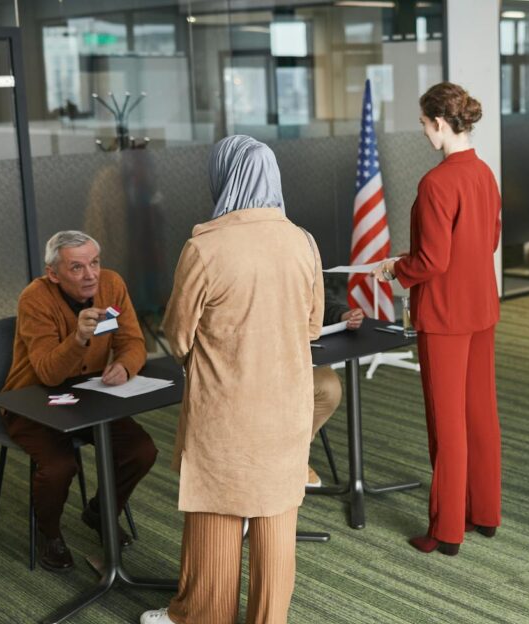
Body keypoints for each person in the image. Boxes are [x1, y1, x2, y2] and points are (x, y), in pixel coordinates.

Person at [142, 136, 323, 624]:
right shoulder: (303, 242)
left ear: (224, 177)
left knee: (216, 519)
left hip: (227, 410)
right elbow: (311, 327)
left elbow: (177, 335)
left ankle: (199, 616)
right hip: (287, 407)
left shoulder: (204, 247)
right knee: (276, 522)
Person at [372, 82, 502, 556]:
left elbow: (432, 262)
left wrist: (396, 269)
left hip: (444, 315)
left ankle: (447, 530)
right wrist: (425, 258)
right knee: (480, 415)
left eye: (426, 124)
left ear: (441, 124)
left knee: (446, 424)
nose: (424, 132)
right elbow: (487, 240)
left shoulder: (436, 183)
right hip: (480, 308)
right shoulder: (484, 174)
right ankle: (485, 514)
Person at [1, 230, 158, 572]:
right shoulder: (35, 298)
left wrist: (124, 365)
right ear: (53, 274)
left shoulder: (112, 284)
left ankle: (100, 513)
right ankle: (49, 533)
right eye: (77, 268)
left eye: (94, 263)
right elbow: (47, 373)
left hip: (90, 393)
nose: (90, 275)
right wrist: (79, 338)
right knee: (60, 466)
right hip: (31, 400)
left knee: (141, 450)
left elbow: (133, 341)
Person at [308, 284, 365, 487]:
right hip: (246, 356)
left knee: (329, 387)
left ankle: (293, 456)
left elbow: (321, 296)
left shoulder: (306, 253)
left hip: (294, 356)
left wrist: (342, 315)